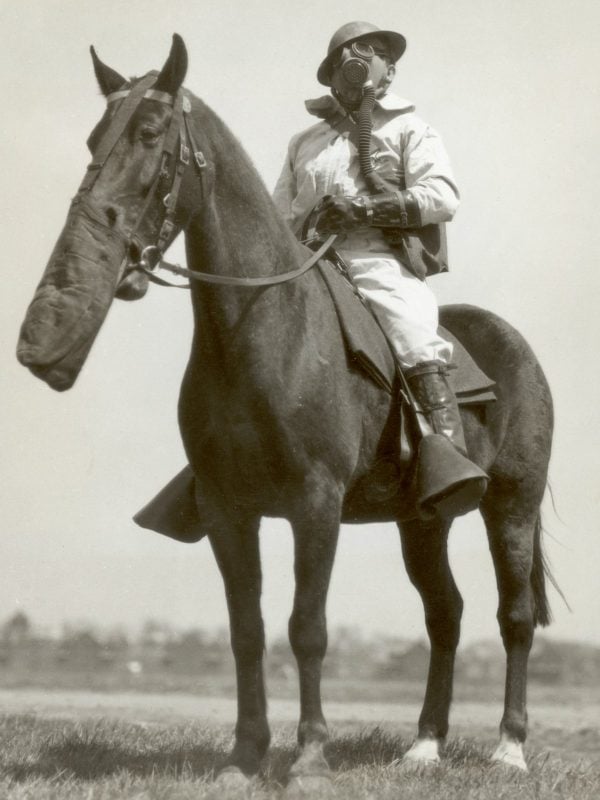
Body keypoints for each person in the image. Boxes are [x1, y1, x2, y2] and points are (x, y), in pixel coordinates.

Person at [272, 21, 488, 518]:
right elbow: (278, 215)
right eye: (349, 51)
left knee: (412, 329)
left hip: (375, 259)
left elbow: (442, 198)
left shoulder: (411, 128)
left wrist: (365, 211)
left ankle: (445, 454)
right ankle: (213, 463)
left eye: (374, 51)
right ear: (331, 76)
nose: (361, 57)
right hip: (309, 261)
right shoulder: (304, 142)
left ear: (390, 71)